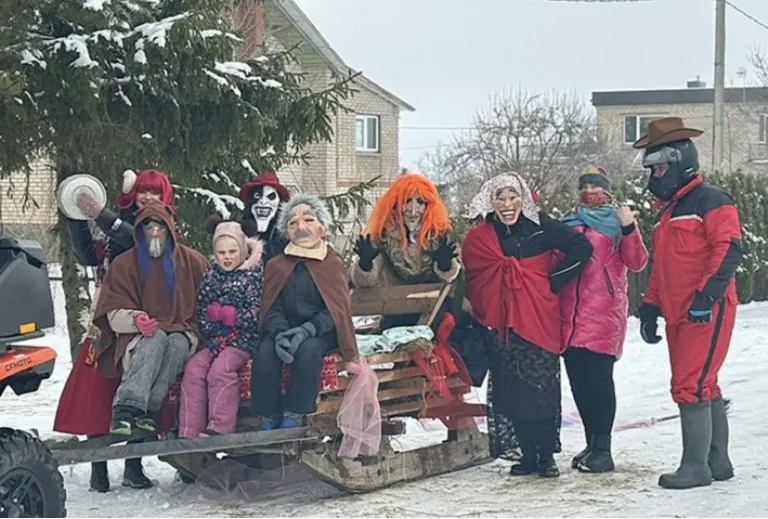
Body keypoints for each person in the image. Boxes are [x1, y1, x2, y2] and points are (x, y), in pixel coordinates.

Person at [633, 117, 743, 490]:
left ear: (680, 162)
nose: (655, 175)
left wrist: (706, 296)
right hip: (679, 311)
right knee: (703, 383)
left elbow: (729, 248)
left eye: (660, 167)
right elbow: (662, 267)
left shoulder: (711, 200)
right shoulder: (668, 211)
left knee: (690, 384)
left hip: (706, 308)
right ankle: (718, 461)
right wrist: (650, 307)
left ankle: (695, 467)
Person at [462, 172, 592, 478]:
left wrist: (553, 281)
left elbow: (581, 248)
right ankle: (527, 455)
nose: (507, 205)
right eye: (500, 198)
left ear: (523, 198)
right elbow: (475, 278)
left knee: (542, 388)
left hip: (539, 319)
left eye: (513, 197)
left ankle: (545, 456)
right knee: (513, 391)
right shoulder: (482, 236)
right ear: (490, 202)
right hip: (502, 325)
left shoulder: (541, 226)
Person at [53, 168, 174, 492]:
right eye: (142, 192)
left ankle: (133, 466)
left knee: (137, 390)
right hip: (106, 322)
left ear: (165, 199)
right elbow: (87, 255)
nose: (147, 198)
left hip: (143, 320)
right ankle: (98, 469)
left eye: (155, 193)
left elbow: (132, 237)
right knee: (97, 392)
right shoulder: (117, 226)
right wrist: (76, 217)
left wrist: (99, 213)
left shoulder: (158, 230)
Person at [559, 166, 649, 473]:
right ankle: (590, 443)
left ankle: (603, 449)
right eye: (584, 186)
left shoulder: (616, 222)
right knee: (579, 384)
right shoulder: (568, 222)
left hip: (603, 313)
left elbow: (637, 262)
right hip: (570, 316)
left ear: (607, 190)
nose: (590, 191)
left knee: (599, 382)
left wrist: (628, 228)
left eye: (596, 186)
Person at [92, 201, 209, 435]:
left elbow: (209, 301)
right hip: (137, 336)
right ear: (139, 231)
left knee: (176, 343)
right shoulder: (124, 264)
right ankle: (125, 408)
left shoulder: (192, 262)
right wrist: (135, 320)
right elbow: (112, 313)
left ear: (169, 229)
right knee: (154, 339)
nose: (155, 233)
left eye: (160, 227)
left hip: (181, 330)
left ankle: (151, 410)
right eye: (148, 227)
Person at [251, 195, 360, 430]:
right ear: (286, 233)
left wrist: (307, 330)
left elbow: (336, 309)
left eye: (308, 220)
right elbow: (271, 306)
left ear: (322, 228)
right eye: (292, 223)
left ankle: (295, 413)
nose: (300, 227)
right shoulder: (276, 265)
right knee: (265, 354)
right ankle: (267, 416)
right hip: (284, 329)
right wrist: (279, 332)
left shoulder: (331, 264)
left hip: (320, 332)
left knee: (309, 351)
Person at [178, 217, 264, 438]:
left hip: (243, 340)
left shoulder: (253, 276)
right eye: (221, 253)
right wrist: (211, 323)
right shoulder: (211, 276)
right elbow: (202, 309)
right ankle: (189, 430)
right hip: (216, 340)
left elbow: (257, 313)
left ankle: (220, 427)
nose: (227, 258)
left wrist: (232, 317)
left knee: (221, 370)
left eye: (232, 251)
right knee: (195, 368)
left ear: (243, 250)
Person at [350, 173, 460, 330]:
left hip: (434, 311)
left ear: (428, 206)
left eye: (420, 202)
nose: (413, 210)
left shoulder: (439, 235)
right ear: (395, 205)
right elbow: (367, 281)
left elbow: (452, 277)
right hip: (395, 310)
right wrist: (365, 264)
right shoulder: (383, 237)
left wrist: (445, 265)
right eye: (407, 201)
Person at [239, 171, 291, 264]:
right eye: (257, 196)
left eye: (270, 197)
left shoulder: (287, 236)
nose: (263, 202)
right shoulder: (239, 234)